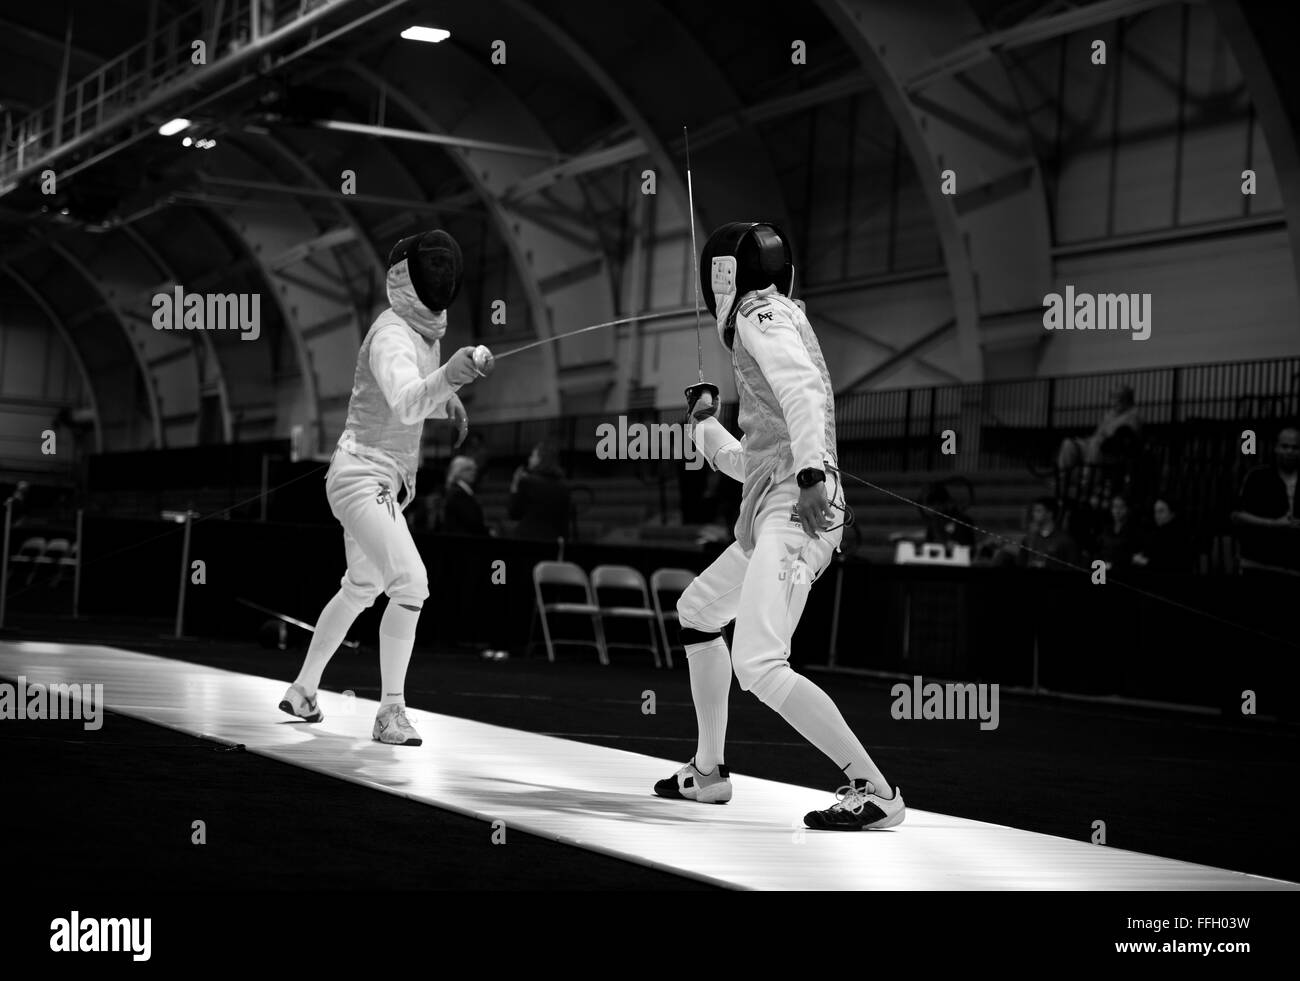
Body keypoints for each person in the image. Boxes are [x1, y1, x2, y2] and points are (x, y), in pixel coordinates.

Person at [656, 221, 903, 831]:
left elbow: (803, 394)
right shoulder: (775, 317)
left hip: (800, 509)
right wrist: (707, 425)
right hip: (781, 505)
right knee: (697, 611)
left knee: (760, 663)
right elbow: (756, 462)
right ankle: (708, 771)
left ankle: (874, 791)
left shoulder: (758, 314)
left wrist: (815, 475)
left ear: (727, 275)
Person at [278, 229, 493, 745]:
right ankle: (389, 712)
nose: (440, 276)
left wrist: (447, 398)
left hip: (380, 479)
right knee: (412, 584)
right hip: (362, 476)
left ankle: (303, 690)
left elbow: (418, 391)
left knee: (361, 588)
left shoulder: (422, 336)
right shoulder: (392, 332)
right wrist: (450, 380)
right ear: (407, 277)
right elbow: (403, 401)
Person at [1231, 424, 1300, 574]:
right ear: (1276, 447)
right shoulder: (1258, 477)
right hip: (1258, 562)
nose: (1289, 451)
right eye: (1285, 446)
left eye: (1295, 447)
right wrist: (1274, 524)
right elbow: (1236, 515)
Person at [1056, 384, 1142, 473]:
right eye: (1113, 397)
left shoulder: (1133, 416)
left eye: (1119, 397)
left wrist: (1102, 439)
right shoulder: (1109, 415)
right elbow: (1097, 433)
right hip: (1094, 443)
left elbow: (1127, 439)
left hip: (1111, 451)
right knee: (1068, 444)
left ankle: (1088, 481)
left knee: (1095, 444)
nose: (1115, 401)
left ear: (1127, 399)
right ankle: (1062, 478)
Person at [508, 442, 570, 540]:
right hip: (552, 540)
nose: (529, 459)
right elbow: (564, 523)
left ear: (541, 459)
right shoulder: (563, 487)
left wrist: (514, 485)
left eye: (533, 456)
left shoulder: (527, 483)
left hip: (527, 538)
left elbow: (514, 513)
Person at [995, 497, 1079, 569]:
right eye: (1034, 511)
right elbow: (1021, 563)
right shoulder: (1029, 539)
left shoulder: (1064, 541)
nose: (1034, 514)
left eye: (1038, 511)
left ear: (1049, 514)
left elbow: (1072, 566)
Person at [1132, 495, 1195, 573]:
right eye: (1155, 511)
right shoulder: (1157, 531)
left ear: (1172, 513)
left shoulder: (1178, 535)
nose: (1157, 515)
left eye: (1161, 511)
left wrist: (1144, 561)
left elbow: (1171, 564)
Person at [442, 455, 490, 536]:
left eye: (474, 469)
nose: (473, 472)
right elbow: (472, 521)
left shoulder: (463, 491)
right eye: (468, 469)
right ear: (458, 472)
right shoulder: (458, 493)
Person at [1094, 492, 1140, 571]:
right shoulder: (1107, 528)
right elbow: (1098, 549)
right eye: (1115, 507)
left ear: (1128, 509)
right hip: (1101, 572)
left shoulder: (1133, 532)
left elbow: (1131, 557)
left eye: (1121, 507)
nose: (1117, 511)